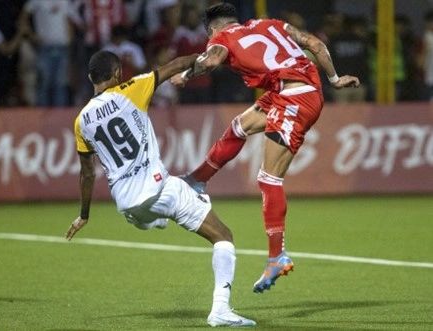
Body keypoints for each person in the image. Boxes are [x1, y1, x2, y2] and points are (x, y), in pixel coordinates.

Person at [171, 3, 360, 293]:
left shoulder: (220, 39)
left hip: (295, 98)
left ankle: (276, 256)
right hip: (289, 90)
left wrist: (185, 75)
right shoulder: (268, 23)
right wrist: (334, 79)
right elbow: (314, 43)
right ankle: (197, 181)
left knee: (268, 178)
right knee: (239, 127)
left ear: (211, 28)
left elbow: (210, 62)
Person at [66, 50, 256, 328]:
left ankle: (153, 219)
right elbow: (176, 65)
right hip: (159, 190)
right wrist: (212, 52)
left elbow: (86, 173)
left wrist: (84, 214)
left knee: (155, 209)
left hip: (125, 203)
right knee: (224, 237)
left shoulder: (81, 120)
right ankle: (221, 310)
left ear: (90, 77)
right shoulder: (131, 90)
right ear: (118, 73)